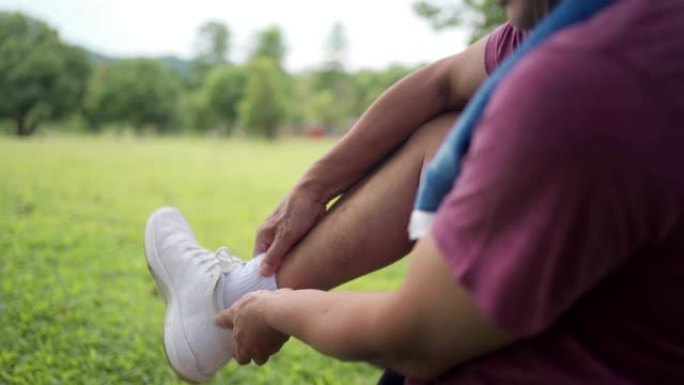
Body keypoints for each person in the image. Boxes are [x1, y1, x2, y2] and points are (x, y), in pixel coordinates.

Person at [144, 0, 684, 384]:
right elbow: (444, 81)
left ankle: (229, 304)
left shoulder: (584, 80)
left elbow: (415, 341)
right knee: (446, 133)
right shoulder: (605, 18)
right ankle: (224, 302)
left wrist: (278, 310)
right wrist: (314, 184)